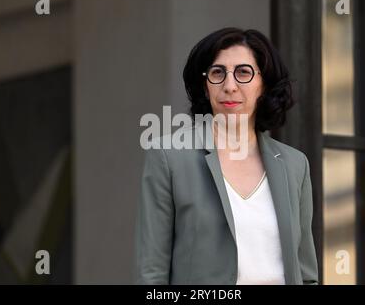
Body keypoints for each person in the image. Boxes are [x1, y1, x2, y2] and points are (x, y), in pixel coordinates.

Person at [134, 27, 318, 285]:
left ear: (263, 84)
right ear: (205, 85)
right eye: (217, 73)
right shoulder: (169, 157)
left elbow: (306, 274)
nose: (229, 86)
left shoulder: (295, 165)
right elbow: (151, 274)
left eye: (243, 72)